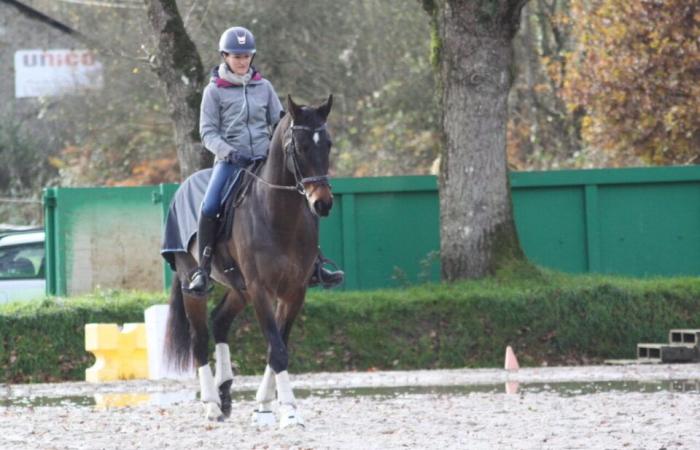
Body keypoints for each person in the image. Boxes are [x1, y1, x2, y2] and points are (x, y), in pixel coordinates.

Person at [188, 26, 344, 294]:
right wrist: (228, 151)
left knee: (305, 201)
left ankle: (316, 264)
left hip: (264, 159)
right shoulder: (213, 91)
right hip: (231, 161)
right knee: (210, 205)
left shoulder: (265, 87)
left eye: (247, 56)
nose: (242, 61)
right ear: (225, 56)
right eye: (237, 56)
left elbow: (280, 122)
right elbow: (207, 132)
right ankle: (202, 269)